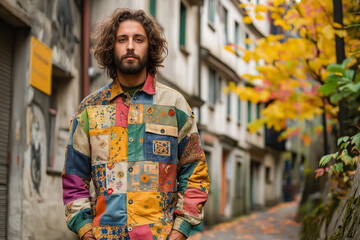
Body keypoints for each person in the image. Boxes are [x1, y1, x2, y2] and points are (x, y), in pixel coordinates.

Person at [62, 8, 209, 240]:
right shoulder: (89, 109)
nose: (130, 46)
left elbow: (195, 173)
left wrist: (180, 230)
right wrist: (85, 230)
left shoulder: (176, 106)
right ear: (111, 47)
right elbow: (74, 178)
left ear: (150, 48)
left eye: (138, 39)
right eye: (122, 39)